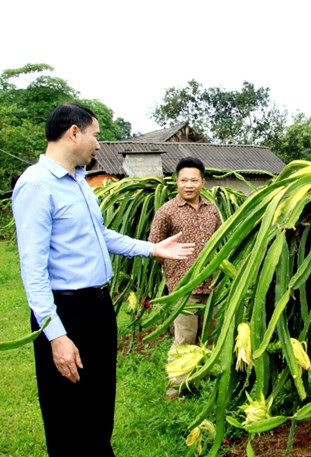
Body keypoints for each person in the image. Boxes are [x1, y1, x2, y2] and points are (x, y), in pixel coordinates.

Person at [12, 102, 196, 457]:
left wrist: (151, 249)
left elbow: (100, 234)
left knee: (98, 402)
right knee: (67, 412)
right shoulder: (36, 186)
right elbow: (32, 270)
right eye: (96, 135)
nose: (99, 144)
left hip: (97, 305)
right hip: (66, 309)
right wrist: (57, 336)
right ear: (74, 133)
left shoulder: (79, 182)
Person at [148, 156, 222, 399]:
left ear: (203, 182)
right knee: (185, 339)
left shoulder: (212, 209)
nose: (188, 185)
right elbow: (155, 247)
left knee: (209, 337)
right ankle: (176, 389)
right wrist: (174, 269)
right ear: (176, 182)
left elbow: (221, 239)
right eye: (183, 180)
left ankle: (205, 383)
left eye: (194, 180)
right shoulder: (166, 211)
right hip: (183, 287)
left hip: (213, 285)